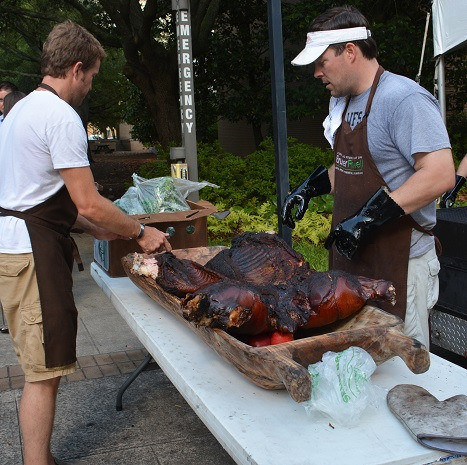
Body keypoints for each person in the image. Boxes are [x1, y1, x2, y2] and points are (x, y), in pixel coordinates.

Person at [0, 20, 171, 465]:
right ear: (77, 68)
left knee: (42, 367)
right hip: (31, 255)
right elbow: (90, 201)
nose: (89, 86)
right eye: (92, 76)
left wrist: (91, 229)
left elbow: (34, 194)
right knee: (41, 374)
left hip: (19, 246)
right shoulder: (59, 116)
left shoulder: (20, 110)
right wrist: (138, 230)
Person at [281, 5, 455, 348]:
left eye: (321, 62)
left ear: (349, 51)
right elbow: (351, 165)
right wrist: (308, 189)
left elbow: (440, 174)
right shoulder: (345, 101)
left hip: (401, 263)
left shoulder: (404, 99)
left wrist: (367, 218)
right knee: (355, 357)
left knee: (399, 364)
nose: (316, 73)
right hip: (352, 260)